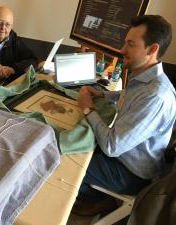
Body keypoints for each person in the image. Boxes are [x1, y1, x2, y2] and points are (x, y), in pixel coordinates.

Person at [75, 15, 176, 216]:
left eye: (130, 44)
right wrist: (102, 94)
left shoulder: (156, 96)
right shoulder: (145, 79)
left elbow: (112, 147)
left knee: (68, 162)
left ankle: (98, 202)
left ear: (152, 49)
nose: (122, 50)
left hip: (130, 174)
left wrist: (88, 108)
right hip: (125, 159)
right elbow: (128, 96)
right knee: (80, 142)